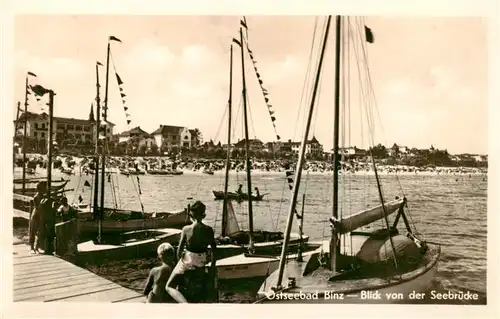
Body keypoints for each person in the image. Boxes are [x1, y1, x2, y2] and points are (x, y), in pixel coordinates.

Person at [166, 200, 216, 303]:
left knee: (169, 286)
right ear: (204, 215)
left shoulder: (186, 229)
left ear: (191, 215)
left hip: (188, 260)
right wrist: (212, 266)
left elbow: (179, 250)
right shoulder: (208, 229)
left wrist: (178, 262)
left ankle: (185, 303)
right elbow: (214, 249)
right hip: (201, 259)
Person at [29, 182, 46, 253]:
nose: (45, 189)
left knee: (40, 231)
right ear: (40, 189)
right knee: (33, 231)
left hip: (40, 215)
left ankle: (37, 247)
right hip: (36, 215)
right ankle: (32, 247)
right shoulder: (36, 197)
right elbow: (37, 207)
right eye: (44, 188)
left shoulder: (43, 196)